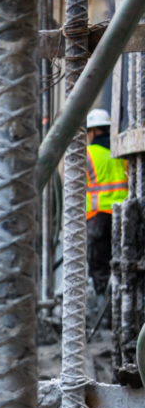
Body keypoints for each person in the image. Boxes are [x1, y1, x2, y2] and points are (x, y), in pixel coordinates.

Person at [84, 108, 128, 295]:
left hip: (97, 217)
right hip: (125, 216)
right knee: (124, 267)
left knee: (99, 268)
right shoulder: (122, 150)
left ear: (92, 132)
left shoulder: (88, 154)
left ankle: (105, 314)